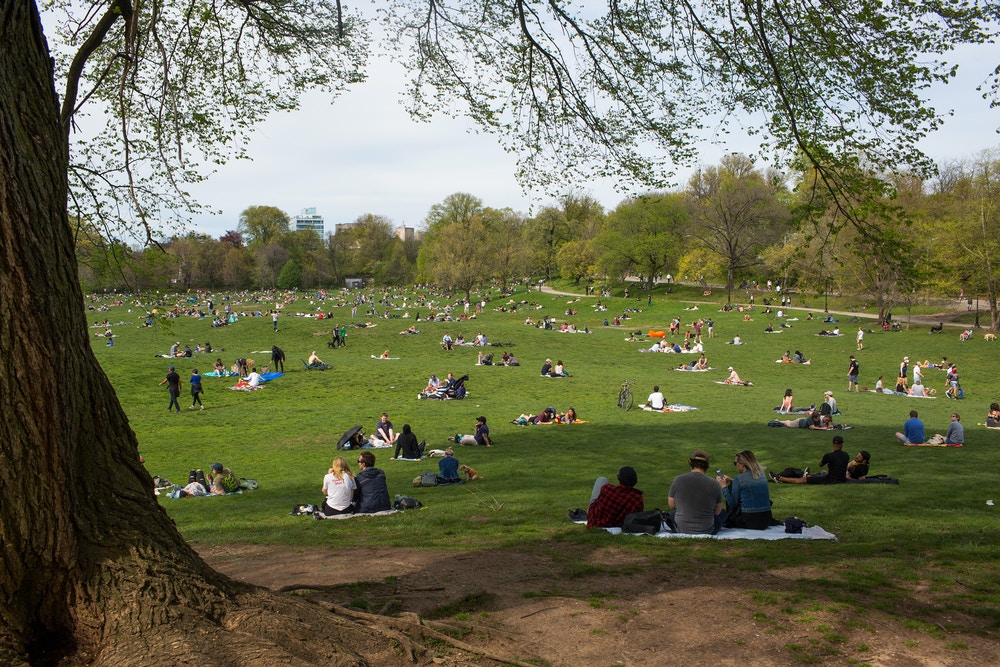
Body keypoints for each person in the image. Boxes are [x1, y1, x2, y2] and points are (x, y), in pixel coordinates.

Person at [667, 451, 724, 534]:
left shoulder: (678, 480)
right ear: (707, 465)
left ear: (690, 463)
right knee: (723, 514)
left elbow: (671, 505)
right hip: (707, 529)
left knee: (670, 514)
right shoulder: (714, 484)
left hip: (681, 528)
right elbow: (717, 511)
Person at [717, 450, 775, 529]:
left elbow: (732, 503)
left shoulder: (739, 479)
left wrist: (723, 486)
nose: (735, 466)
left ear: (743, 464)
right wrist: (733, 481)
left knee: (723, 514)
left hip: (749, 520)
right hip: (766, 519)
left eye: (735, 463)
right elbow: (749, 485)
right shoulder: (761, 475)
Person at [770, 436, 850, 484]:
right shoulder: (846, 455)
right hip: (841, 479)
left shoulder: (829, 456)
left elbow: (820, 464)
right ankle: (807, 475)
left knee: (804, 480)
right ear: (842, 444)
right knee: (817, 475)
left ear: (833, 443)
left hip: (830, 480)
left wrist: (824, 457)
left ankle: (779, 478)